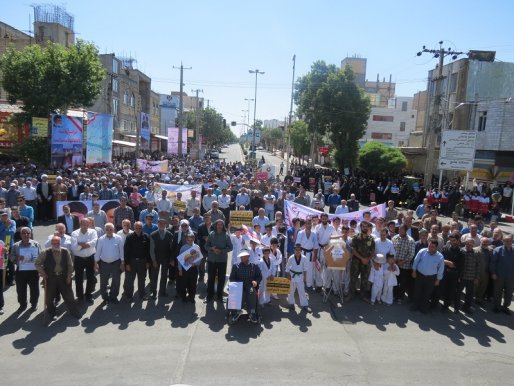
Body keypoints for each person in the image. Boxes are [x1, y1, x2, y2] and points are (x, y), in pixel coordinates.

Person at [35, 235, 81, 322]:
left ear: (60, 243)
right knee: (49, 298)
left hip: (63, 277)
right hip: (50, 277)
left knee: (69, 296)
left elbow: (70, 265)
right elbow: (37, 263)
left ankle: (74, 311)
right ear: (51, 243)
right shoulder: (45, 252)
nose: (56, 244)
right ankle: (52, 313)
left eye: (58, 243)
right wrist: (43, 273)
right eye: (54, 243)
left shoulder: (65, 251)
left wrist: (69, 276)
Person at [10, 227, 41, 313]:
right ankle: (22, 304)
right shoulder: (16, 245)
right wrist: (17, 257)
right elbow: (11, 257)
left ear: (30, 234)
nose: (26, 235)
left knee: (34, 289)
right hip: (21, 271)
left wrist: (40, 267)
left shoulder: (36, 244)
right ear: (20, 235)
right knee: (20, 289)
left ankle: (34, 304)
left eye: (28, 233)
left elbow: (41, 256)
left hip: (33, 271)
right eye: (23, 233)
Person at [411, 240, 445, 314]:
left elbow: (440, 269)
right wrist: (413, 271)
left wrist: (438, 280)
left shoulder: (440, 257)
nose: (430, 248)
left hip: (431, 278)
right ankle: (415, 305)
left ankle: (423, 308)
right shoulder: (422, 251)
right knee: (417, 291)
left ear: (436, 248)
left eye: (432, 247)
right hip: (419, 275)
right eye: (429, 246)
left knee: (427, 293)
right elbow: (416, 261)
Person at [229, 249, 262, 323]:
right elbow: (232, 278)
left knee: (252, 292)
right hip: (239, 285)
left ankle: (252, 312)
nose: (241, 258)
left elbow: (259, 276)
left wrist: (256, 281)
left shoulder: (254, 266)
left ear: (248, 256)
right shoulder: (235, 266)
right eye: (241, 256)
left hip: (250, 285)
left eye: (243, 256)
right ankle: (237, 312)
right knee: (240, 294)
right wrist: (236, 284)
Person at [95, 223, 124, 305]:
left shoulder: (118, 238)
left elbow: (121, 251)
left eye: (110, 229)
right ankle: (105, 297)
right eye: (107, 229)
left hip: (116, 263)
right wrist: (96, 263)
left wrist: (122, 262)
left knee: (116, 281)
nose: (109, 231)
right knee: (103, 282)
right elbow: (98, 251)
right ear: (105, 230)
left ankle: (113, 296)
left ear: (113, 229)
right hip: (104, 263)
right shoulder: (101, 239)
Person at [205, 219, 233, 302]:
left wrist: (222, 251)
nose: (219, 226)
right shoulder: (211, 234)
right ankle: (209, 296)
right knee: (211, 278)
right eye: (218, 224)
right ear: (216, 225)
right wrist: (211, 249)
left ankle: (219, 297)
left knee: (221, 279)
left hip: (222, 260)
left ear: (223, 226)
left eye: (221, 225)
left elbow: (230, 247)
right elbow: (206, 246)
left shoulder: (226, 235)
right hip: (212, 260)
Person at [70, 218, 98, 303]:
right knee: (79, 279)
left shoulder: (93, 232)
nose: (85, 226)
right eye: (83, 224)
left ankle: (88, 295)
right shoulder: (74, 233)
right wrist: (87, 244)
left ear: (89, 224)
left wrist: (80, 245)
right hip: (79, 259)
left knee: (90, 278)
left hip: (90, 257)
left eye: (87, 224)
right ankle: (80, 296)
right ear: (80, 224)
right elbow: (74, 247)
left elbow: (94, 243)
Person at [124, 221, 151, 300]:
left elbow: (148, 251)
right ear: (134, 228)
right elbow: (126, 251)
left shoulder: (146, 236)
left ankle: (142, 294)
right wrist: (127, 263)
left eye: (140, 228)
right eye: (136, 228)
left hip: (142, 261)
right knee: (130, 279)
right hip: (132, 262)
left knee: (142, 279)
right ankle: (129, 295)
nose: (138, 229)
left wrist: (148, 262)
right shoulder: (129, 237)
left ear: (142, 228)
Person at [348, 221, 375, 302]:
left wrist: (367, 259)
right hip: (356, 262)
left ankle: (363, 296)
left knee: (364, 280)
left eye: (366, 226)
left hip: (366, 263)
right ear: (361, 227)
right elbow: (353, 250)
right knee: (353, 279)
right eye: (363, 226)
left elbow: (372, 251)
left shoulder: (371, 239)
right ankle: (351, 294)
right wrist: (362, 258)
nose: (365, 228)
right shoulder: (356, 237)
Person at [149, 218, 174, 297]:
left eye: (164, 224)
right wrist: (153, 260)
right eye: (160, 224)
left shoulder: (170, 235)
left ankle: (162, 292)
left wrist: (171, 259)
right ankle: (153, 292)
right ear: (158, 224)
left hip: (166, 258)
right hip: (156, 258)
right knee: (154, 276)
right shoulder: (153, 234)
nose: (162, 225)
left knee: (164, 276)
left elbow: (171, 248)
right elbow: (151, 250)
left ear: (166, 225)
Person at [440, 232, 463, 313]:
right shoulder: (445, 248)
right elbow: (440, 259)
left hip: (454, 275)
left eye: (454, 240)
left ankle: (446, 306)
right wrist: (447, 262)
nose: (452, 242)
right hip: (444, 273)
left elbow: (459, 265)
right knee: (442, 289)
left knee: (451, 291)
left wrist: (450, 264)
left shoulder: (461, 251)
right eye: (451, 240)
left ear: (457, 240)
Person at [491, 234, 514, 314]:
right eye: (506, 241)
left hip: (511, 277)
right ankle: (497, 307)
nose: (508, 242)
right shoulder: (498, 250)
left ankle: (505, 307)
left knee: (509, 293)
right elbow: (493, 263)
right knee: (497, 292)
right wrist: (493, 273)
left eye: (510, 241)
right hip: (499, 276)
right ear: (503, 241)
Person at [177, 231, 202, 303]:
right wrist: (180, 269)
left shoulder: (197, 247)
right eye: (188, 240)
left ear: (194, 239)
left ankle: (192, 297)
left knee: (193, 283)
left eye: (191, 240)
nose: (190, 241)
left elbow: (199, 258)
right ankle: (184, 297)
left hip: (194, 268)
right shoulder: (183, 247)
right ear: (186, 240)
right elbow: (180, 259)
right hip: (185, 269)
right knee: (184, 283)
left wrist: (196, 264)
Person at [457, 238, 481, 314]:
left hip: (471, 277)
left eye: (471, 244)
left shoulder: (476, 253)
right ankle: (456, 307)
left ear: (473, 245)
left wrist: (476, 277)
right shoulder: (461, 251)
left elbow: (478, 266)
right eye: (467, 243)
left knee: (469, 294)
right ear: (465, 244)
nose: (469, 245)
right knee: (458, 292)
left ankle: (466, 307)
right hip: (462, 277)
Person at [296, 217, 319, 291]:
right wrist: (298, 255)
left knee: (310, 270)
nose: (309, 225)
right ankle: (299, 285)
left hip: (310, 254)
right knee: (300, 269)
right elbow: (297, 245)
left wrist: (315, 255)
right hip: (302, 253)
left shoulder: (314, 234)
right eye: (308, 224)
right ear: (305, 224)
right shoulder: (300, 233)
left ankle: (309, 285)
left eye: (310, 224)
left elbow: (315, 245)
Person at [285, 244, 310, 312]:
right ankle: (291, 303)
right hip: (292, 276)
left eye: (299, 250)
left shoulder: (304, 258)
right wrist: (288, 275)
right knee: (291, 291)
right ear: (294, 250)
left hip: (300, 276)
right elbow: (287, 267)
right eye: (296, 249)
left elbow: (305, 269)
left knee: (302, 291)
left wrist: (305, 277)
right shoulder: (291, 257)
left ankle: (305, 305)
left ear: (301, 250)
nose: (297, 251)